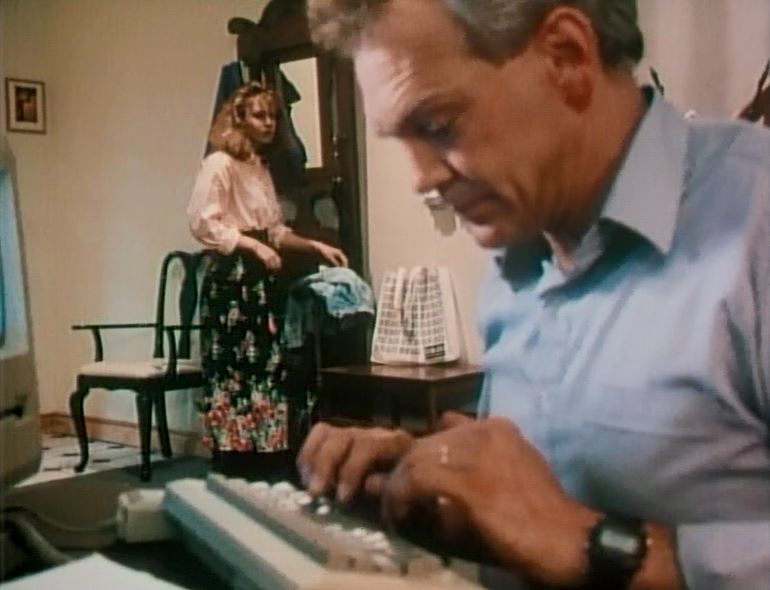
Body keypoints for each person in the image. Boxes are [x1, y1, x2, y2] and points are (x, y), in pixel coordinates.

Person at [297, 1, 770, 588]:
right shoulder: (515, 254)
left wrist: (586, 540)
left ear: (566, 57)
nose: (422, 178)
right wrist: (436, 473)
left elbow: (553, 529)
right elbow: (541, 493)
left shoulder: (756, 220)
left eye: (438, 126)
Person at [188, 81, 347, 474]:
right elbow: (202, 223)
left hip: (262, 279)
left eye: (273, 116)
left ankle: (264, 456)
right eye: (260, 115)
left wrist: (315, 246)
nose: (269, 123)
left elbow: (274, 230)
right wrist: (254, 248)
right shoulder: (219, 164)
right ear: (239, 118)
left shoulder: (258, 167)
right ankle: (233, 458)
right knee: (235, 369)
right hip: (232, 279)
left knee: (268, 366)